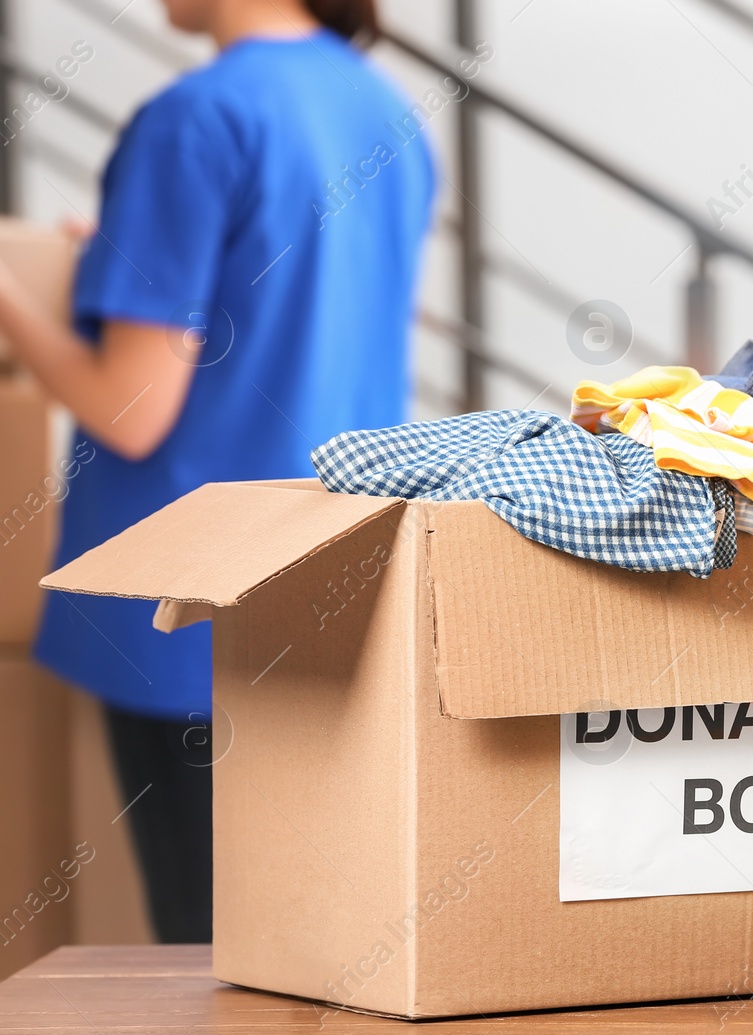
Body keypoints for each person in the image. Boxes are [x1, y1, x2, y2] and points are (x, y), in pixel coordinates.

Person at [0, 0, 435, 943]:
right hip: (332, 585)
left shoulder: (193, 120)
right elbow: (275, 310)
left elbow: (132, 406)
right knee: (314, 948)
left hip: (185, 607)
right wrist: (118, 267)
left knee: (212, 956)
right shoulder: (381, 111)